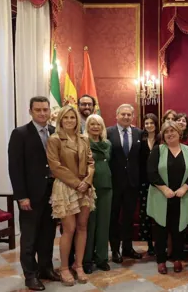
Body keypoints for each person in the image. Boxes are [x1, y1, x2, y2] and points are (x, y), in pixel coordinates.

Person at [8, 96, 60, 291]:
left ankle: (46, 268)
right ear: (30, 111)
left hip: (52, 194)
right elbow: (15, 168)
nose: (42, 113)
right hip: (30, 195)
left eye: (45, 109)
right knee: (29, 238)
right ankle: (30, 275)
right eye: (38, 110)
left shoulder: (55, 132)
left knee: (47, 235)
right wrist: (21, 196)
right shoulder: (20, 134)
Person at [46, 105, 96, 286]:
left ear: (77, 120)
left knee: (83, 227)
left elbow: (91, 162)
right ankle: (65, 268)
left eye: (72, 118)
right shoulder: (55, 139)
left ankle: (78, 265)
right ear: (60, 120)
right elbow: (55, 166)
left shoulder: (84, 139)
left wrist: (87, 182)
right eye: (65, 118)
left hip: (85, 187)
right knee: (69, 229)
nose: (69, 121)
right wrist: (77, 183)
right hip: (66, 187)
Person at [147, 121, 188, 274]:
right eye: (166, 131)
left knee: (179, 230)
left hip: (182, 196)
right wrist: (164, 189)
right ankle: (161, 261)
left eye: (172, 131)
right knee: (160, 230)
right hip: (162, 196)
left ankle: (177, 259)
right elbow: (151, 172)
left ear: (179, 133)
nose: (169, 134)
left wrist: (184, 188)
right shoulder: (158, 150)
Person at [107, 104, 144, 262]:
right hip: (114, 183)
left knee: (129, 217)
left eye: (129, 115)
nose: (126, 117)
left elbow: (141, 158)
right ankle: (115, 250)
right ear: (117, 115)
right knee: (114, 218)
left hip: (132, 183)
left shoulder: (138, 133)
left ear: (133, 116)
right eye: (123, 114)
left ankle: (128, 248)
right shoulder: (108, 132)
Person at [82, 114, 113, 274]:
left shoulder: (107, 144)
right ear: (87, 126)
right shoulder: (83, 142)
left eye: (98, 124)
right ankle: (87, 259)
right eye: (92, 124)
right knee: (89, 224)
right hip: (89, 187)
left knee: (103, 224)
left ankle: (101, 258)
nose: (95, 127)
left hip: (106, 187)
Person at [140, 113, 160, 256]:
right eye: (146, 123)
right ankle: (149, 244)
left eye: (151, 123)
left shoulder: (161, 139)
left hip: (159, 181)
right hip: (143, 181)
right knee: (145, 213)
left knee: (158, 213)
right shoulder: (141, 139)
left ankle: (159, 243)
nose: (149, 126)